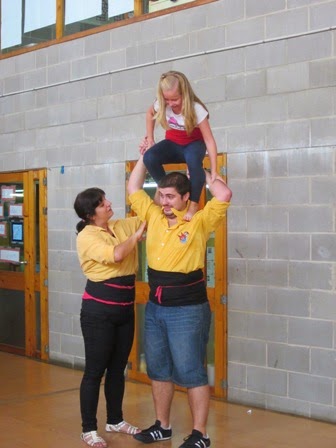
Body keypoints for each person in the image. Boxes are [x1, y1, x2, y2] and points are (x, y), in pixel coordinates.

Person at [127, 157, 232, 448]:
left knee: (190, 371)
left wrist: (202, 172)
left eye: (171, 196)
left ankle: (200, 434)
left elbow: (223, 194)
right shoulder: (154, 215)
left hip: (188, 310)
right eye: (161, 195)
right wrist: (145, 158)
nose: (164, 201)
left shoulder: (199, 220)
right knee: (158, 368)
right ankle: (163, 426)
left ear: (187, 197)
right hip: (156, 308)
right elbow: (134, 185)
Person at [74, 187, 146, 448]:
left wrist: (147, 159)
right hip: (98, 314)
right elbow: (116, 255)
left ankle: (115, 420)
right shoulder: (87, 236)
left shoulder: (118, 225)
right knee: (95, 371)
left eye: (106, 200)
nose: (109, 204)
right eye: (103, 203)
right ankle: (88, 429)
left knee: (118, 369)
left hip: (124, 310)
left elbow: (149, 215)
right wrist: (136, 237)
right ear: (90, 214)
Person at [139, 70, 218, 221]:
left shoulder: (196, 109)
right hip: (173, 143)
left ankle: (193, 204)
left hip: (193, 144)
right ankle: (166, 189)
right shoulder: (161, 104)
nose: (170, 103)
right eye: (166, 99)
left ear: (185, 93)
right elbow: (149, 115)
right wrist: (150, 138)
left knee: (194, 164)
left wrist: (214, 170)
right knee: (149, 157)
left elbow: (209, 140)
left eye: (174, 99)